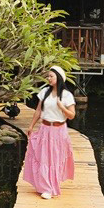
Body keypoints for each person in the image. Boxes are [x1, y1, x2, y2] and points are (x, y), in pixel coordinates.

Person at [22, 65, 75, 199]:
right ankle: (45, 187)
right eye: (48, 76)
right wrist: (31, 126)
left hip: (59, 130)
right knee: (43, 157)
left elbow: (71, 115)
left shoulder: (66, 95)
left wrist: (62, 106)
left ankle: (51, 187)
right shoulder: (44, 92)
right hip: (45, 129)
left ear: (59, 77)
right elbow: (38, 111)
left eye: (51, 76)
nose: (49, 78)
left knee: (55, 158)